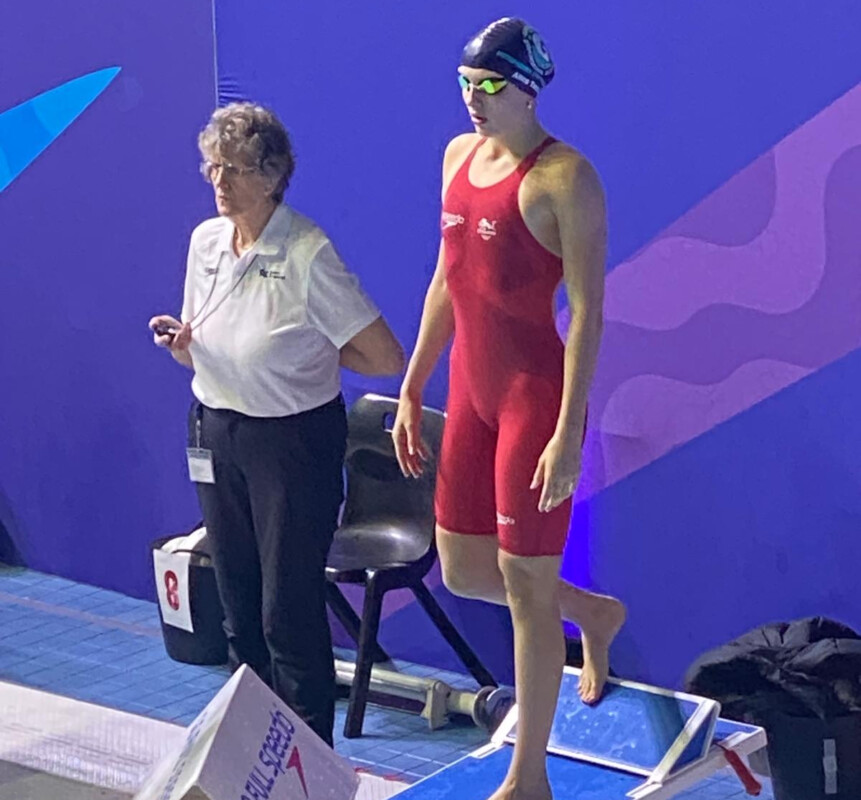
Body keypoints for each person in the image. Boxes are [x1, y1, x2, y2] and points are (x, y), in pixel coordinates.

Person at [392, 18, 626, 800]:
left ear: (529, 88)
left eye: (488, 87)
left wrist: (566, 431)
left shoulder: (565, 178)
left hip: (534, 398)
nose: (473, 101)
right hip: (470, 392)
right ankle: (591, 614)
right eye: (464, 84)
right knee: (462, 571)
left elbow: (588, 313)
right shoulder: (457, 158)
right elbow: (445, 278)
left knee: (525, 589)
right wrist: (415, 382)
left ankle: (529, 776)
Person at [149, 102, 404, 747]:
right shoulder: (206, 241)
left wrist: (310, 351)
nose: (219, 182)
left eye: (233, 169)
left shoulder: (308, 252)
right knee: (237, 606)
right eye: (211, 167)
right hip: (215, 428)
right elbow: (203, 338)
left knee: (284, 613)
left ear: (272, 175)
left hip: (292, 443)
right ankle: (249, 753)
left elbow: (383, 356)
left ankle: (307, 760)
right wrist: (184, 343)